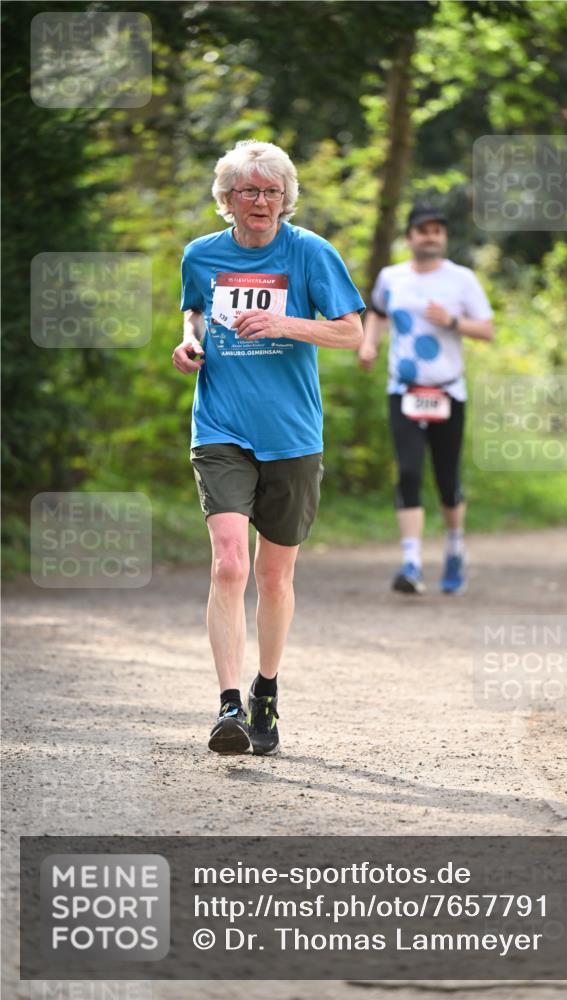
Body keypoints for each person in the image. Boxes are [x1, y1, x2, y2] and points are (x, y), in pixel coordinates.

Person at [173, 140, 364, 755]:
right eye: (249, 191)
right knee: (230, 562)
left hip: (292, 434)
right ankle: (228, 705)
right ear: (226, 200)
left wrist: (284, 323)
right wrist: (188, 344)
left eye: (272, 191)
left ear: (286, 198)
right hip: (222, 428)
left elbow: (349, 331)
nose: (262, 201)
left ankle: (267, 691)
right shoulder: (202, 254)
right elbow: (196, 315)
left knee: (275, 575)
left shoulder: (309, 252)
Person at [359, 204, 494, 596]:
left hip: (448, 391)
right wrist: (369, 344)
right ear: (410, 237)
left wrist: (452, 321)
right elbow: (378, 313)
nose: (430, 236)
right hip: (404, 391)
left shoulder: (462, 280)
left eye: (437, 230)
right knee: (408, 472)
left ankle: (454, 548)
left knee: (447, 479)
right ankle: (411, 562)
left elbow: (487, 330)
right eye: (423, 230)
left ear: (445, 237)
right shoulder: (391, 277)